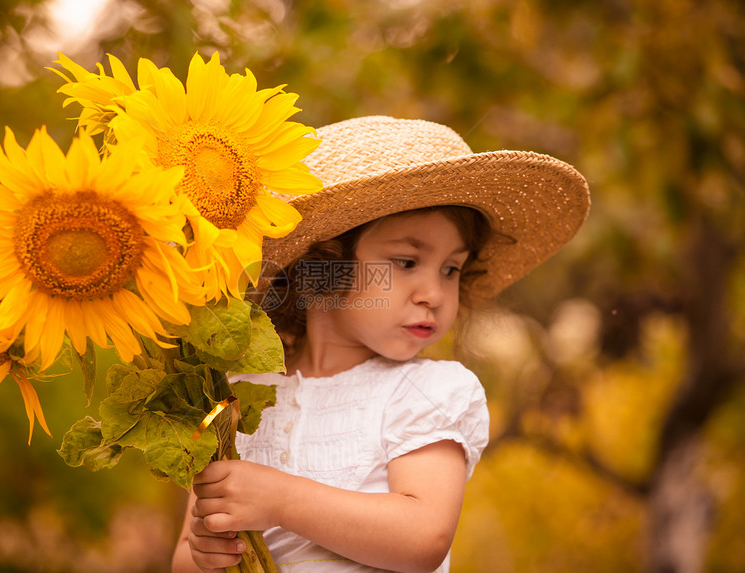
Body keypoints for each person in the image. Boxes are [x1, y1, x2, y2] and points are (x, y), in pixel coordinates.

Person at [171, 115, 590, 572]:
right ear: (323, 265)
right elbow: (184, 560)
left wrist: (280, 500)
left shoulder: (425, 392)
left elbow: (422, 537)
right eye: (407, 262)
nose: (433, 292)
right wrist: (204, 549)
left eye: (451, 269)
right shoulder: (235, 392)